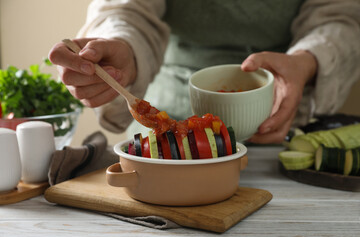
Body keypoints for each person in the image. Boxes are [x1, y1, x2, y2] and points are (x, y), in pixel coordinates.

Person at [48, 0, 360, 144]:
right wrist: (121, 50)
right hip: (166, 129)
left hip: (280, 119)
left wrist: (306, 62)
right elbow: (125, 9)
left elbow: (339, 17)